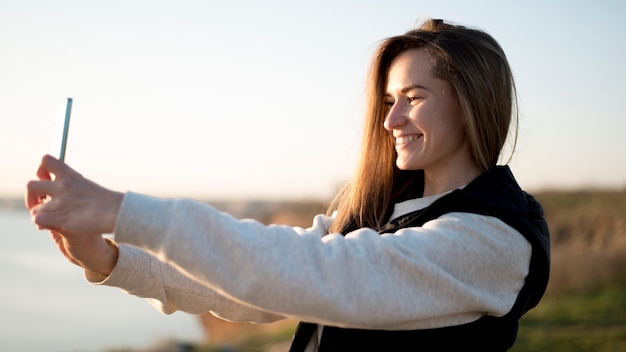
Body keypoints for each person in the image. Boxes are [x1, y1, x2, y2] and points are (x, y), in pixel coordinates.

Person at [26, 19, 550, 351]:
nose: (391, 121)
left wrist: (122, 210)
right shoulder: (377, 209)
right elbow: (261, 289)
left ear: (473, 101)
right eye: (388, 101)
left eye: (413, 97)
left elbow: (317, 276)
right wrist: (111, 261)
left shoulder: (493, 239)